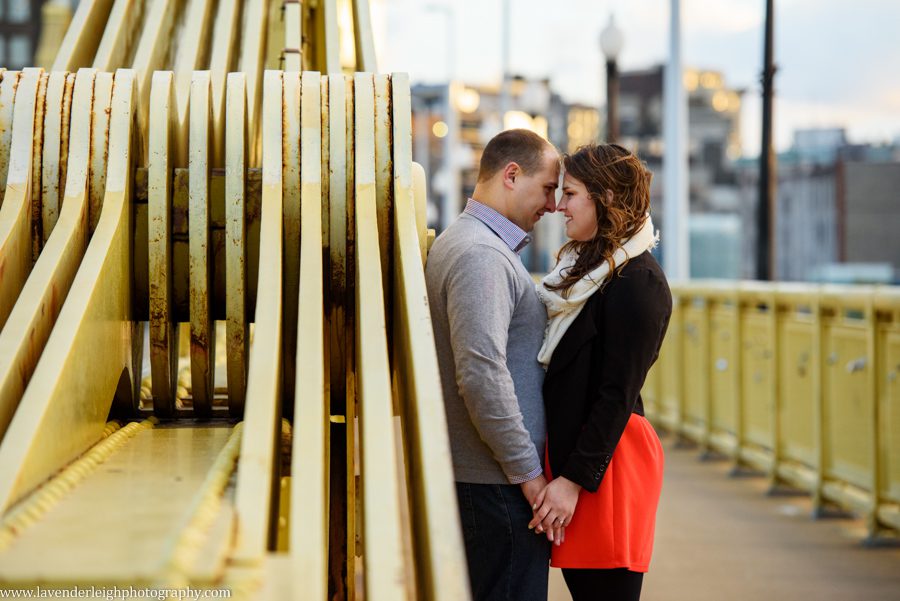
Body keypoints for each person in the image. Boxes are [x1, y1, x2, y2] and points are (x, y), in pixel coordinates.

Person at [529, 143, 672, 601]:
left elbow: (617, 394)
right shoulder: (589, 270)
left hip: (607, 465)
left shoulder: (639, 282)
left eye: (570, 194)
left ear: (605, 198)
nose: (558, 206)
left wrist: (571, 482)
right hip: (583, 459)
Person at [425, 128, 561, 601]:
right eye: (547, 188)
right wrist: (528, 473)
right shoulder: (481, 255)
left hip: (487, 481)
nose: (552, 204)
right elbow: (481, 373)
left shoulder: (467, 242)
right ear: (511, 174)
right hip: (497, 488)